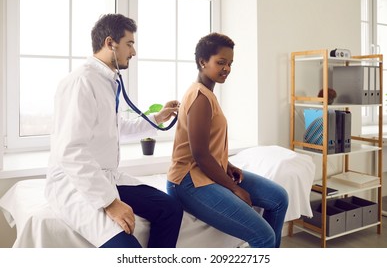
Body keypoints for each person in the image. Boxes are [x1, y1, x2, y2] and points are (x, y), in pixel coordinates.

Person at [45, 14, 183, 248]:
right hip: (75, 182)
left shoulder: (106, 81)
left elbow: (116, 128)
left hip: (105, 176)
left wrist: (156, 119)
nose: (134, 52)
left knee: (170, 208)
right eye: (129, 44)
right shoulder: (82, 82)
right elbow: (70, 150)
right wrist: (110, 202)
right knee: (127, 249)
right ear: (110, 43)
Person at [166, 33, 288, 248]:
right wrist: (234, 188)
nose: (227, 69)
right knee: (264, 236)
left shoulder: (208, 93)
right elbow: (200, 154)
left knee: (279, 198)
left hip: (205, 172)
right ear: (203, 62)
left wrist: (228, 165)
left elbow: (209, 146)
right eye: (220, 62)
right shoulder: (200, 97)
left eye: (230, 63)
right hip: (187, 182)